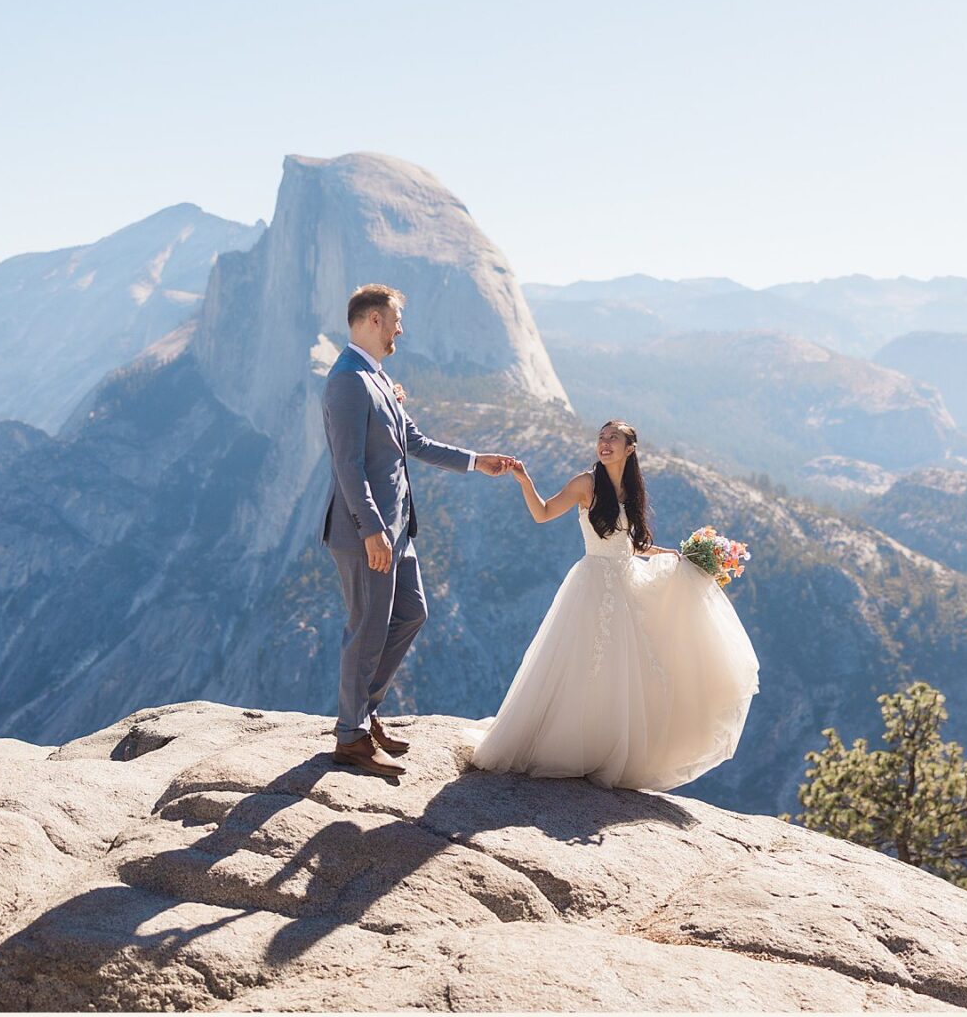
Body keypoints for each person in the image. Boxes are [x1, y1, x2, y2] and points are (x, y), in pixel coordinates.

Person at [468, 420, 759, 791]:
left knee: (628, 670)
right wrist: (525, 480)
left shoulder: (632, 490)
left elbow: (629, 543)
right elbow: (542, 513)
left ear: (629, 449)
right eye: (601, 438)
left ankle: (605, 748)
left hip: (627, 582)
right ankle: (569, 746)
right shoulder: (585, 483)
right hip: (592, 584)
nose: (604, 444)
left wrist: (670, 555)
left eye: (613, 439)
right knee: (584, 664)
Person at [321, 283, 515, 777]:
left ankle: (364, 715)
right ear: (371, 321)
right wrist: (370, 529)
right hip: (369, 532)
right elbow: (348, 465)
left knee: (412, 613)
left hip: (398, 532)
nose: (400, 330)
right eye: (395, 320)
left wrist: (478, 462)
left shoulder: (377, 377)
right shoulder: (347, 380)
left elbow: (417, 442)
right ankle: (352, 738)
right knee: (366, 629)